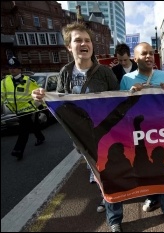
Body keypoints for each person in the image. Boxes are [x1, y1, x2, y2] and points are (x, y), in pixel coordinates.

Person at [31, 22, 120, 229]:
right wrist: (41, 98)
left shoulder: (105, 73)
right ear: (69, 47)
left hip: (105, 136)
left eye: (87, 40)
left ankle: (114, 219)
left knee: (107, 174)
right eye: (78, 40)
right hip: (80, 138)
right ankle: (106, 196)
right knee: (99, 176)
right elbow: (60, 103)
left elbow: (118, 102)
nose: (84, 43)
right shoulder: (64, 73)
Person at [111, 42, 164, 230]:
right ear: (135, 58)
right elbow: (120, 108)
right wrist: (129, 94)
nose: (149, 56)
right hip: (138, 134)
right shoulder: (126, 78)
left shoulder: (163, 75)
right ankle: (152, 197)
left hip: (162, 132)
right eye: (144, 54)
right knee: (145, 169)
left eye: (151, 53)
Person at [1, 57, 46, 161]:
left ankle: (18, 150)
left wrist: (41, 107)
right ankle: (40, 137)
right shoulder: (4, 82)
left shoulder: (29, 81)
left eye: (15, 68)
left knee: (24, 130)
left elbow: (39, 95)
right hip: (16, 110)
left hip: (28, 110)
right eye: (10, 68)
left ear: (20, 69)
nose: (12, 70)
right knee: (32, 125)